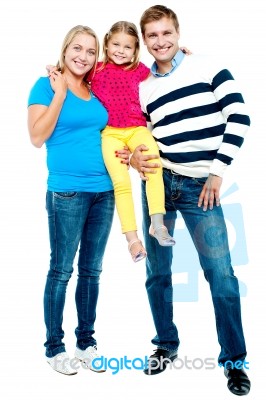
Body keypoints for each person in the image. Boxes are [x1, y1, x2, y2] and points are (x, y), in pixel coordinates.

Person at [129, 5, 251, 396]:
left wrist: (217, 172)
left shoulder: (208, 66)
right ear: (145, 42)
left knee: (222, 276)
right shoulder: (144, 87)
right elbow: (143, 136)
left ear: (178, 33)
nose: (160, 42)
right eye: (152, 36)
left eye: (166, 33)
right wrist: (134, 157)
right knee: (158, 271)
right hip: (160, 184)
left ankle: (233, 362)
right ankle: (165, 344)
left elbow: (239, 117)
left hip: (202, 188)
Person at [27, 25, 128, 375]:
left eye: (90, 51)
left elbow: (129, 72)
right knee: (61, 270)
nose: (82, 57)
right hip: (67, 192)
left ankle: (86, 342)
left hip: (105, 190)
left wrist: (180, 57)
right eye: (77, 49)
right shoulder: (44, 86)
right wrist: (58, 94)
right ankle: (54, 347)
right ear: (65, 48)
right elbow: (37, 138)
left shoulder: (95, 87)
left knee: (92, 271)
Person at [88, 20, 176, 263]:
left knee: (153, 167)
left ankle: (157, 224)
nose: (121, 50)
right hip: (111, 134)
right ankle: (132, 240)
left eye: (127, 47)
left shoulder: (141, 71)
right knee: (121, 183)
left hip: (137, 128)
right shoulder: (95, 70)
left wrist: (182, 55)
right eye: (116, 44)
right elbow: (74, 71)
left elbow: (167, 74)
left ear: (136, 48)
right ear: (106, 44)